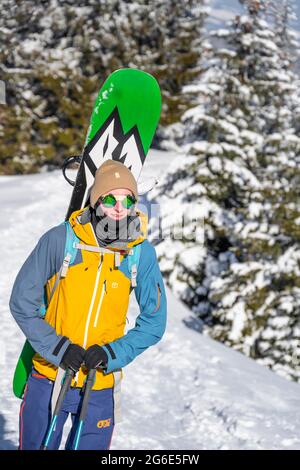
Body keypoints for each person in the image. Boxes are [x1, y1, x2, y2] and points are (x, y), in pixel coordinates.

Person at [9, 159, 167, 450]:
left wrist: (112, 353)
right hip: (49, 376)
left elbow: (155, 322)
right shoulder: (61, 240)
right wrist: (57, 348)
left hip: (100, 385)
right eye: (109, 199)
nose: (119, 208)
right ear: (95, 202)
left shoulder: (139, 254)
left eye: (127, 200)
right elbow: (22, 301)